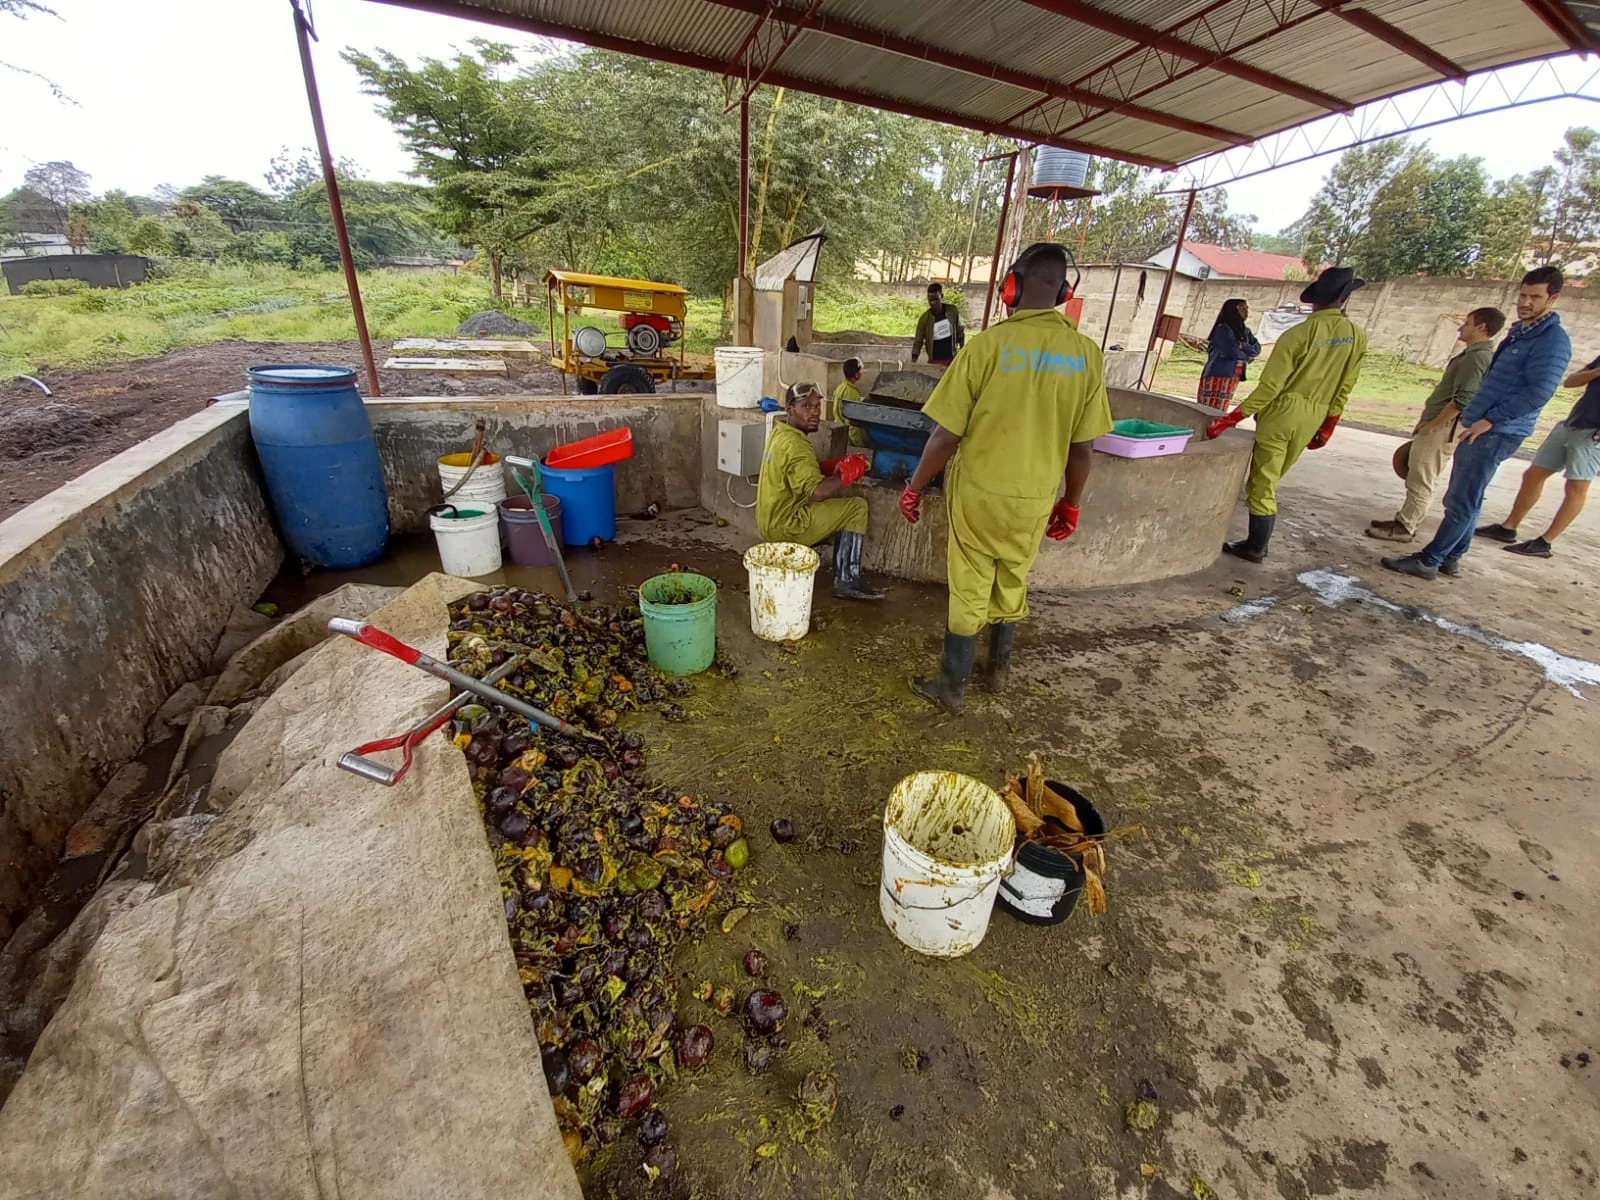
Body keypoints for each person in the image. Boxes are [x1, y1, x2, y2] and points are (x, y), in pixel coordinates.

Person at [899, 243, 1112, 711]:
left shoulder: (987, 347)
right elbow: (1083, 447)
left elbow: (944, 437)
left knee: (970, 583)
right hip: (1035, 497)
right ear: (1064, 290)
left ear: (1010, 286)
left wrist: (914, 488)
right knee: (1012, 577)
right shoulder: (1086, 355)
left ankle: (951, 686)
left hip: (980, 493)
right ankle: (998, 672)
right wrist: (1070, 502)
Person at [1383, 266, 1571, 581]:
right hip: (1484, 426)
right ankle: (1452, 556)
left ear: (1553, 298)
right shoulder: (1520, 333)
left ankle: (1430, 560)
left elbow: (1540, 391)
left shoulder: (1551, 341)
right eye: (1523, 295)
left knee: (1460, 500)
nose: (1525, 302)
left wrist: (1489, 419)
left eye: (1535, 297)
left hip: (1497, 430)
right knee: (1470, 496)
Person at [1205, 266, 1367, 563]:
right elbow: (1346, 385)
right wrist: (1329, 423)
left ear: (1314, 300)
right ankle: (1256, 542)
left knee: (1262, 483)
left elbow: (1270, 387)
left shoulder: (1297, 335)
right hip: (1314, 415)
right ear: (1344, 299)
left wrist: (1231, 418)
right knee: (1273, 478)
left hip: (1282, 413)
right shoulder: (1356, 336)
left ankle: (1255, 546)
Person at [1367, 306, 1505, 543]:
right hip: (1441, 424)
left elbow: (1463, 399)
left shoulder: (1476, 357)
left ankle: (1406, 526)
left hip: (1444, 427)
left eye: (1468, 323)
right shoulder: (1473, 354)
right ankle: (1405, 518)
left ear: (1482, 327)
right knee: (1418, 471)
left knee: (1422, 475)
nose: (1461, 327)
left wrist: (1432, 425)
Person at [756, 381, 884, 601]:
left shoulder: (780, 434)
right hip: (787, 527)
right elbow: (818, 492)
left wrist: (830, 466)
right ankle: (846, 581)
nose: (814, 412)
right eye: (806, 406)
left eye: (816, 406)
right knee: (856, 508)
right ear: (790, 410)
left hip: (767, 522)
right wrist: (847, 473)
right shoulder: (798, 446)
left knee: (835, 515)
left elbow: (796, 471)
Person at [1472, 351, 1600, 559]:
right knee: (1533, 475)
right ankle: (1509, 527)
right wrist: (1595, 373)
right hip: (1573, 423)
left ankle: (1545, 542)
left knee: (1576, 487)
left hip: (1593, 435)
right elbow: (1570, 381)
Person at [1197, 298, 1260, 411]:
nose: (1246, 311)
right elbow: (1231, 351)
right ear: (1233, 310)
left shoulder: (1245, 331)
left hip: (1234, 374)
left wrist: (1243, 346)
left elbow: (1257, 349)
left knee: (1221, 408)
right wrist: (1247, 357)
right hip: (1219, 372)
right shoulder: (1223, 329)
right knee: (1209, 407)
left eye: (1247, 308)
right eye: (1242, 308)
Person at [912, 283, 964, 365]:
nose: (933, 303)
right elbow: (918, 340)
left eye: (936, 299)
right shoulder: (925, 319)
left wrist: (962, 353)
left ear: (942, 296)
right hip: (934, 360)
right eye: (930, 300)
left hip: (951, 359)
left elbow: (960, 332)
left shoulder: (952, 311)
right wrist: (913, 360)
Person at [831, 358, 868, 448]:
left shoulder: (840, 387)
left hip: (838, 434)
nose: (861, 373)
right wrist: (859, 445)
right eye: (859, 371)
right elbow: (852, 424)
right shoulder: (851, 392)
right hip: (848, 441)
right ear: (856, 374)